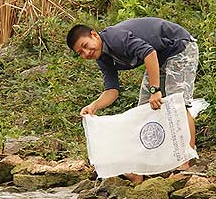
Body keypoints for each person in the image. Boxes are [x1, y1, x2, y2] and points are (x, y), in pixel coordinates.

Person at [67, 17, 199, 182]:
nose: (86, 53)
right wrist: (94, 106)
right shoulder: (103, 58)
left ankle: (185, 164)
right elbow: (112, 91)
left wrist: (155, 90)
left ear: (94, 35)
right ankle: (140, 169)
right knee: (144, 111)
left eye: (85, 46)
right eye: (80, 52)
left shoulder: (115, 38)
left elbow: (149, 53)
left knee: (177, 105)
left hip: (179, 47)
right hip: (160, 57)